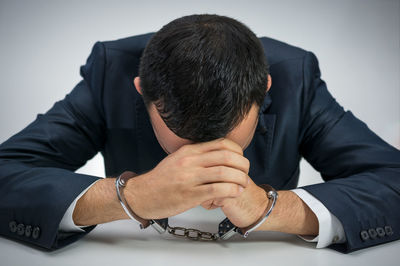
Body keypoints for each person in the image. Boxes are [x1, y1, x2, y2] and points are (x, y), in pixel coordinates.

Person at [0, 14, 399, 253]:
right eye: (184, 139)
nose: (201, 162)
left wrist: (270, 209)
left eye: (226, 136)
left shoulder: (298, 76)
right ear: (141, 90)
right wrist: (128, 197)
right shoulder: (110, 71)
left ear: (265, 89)